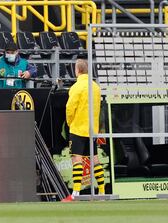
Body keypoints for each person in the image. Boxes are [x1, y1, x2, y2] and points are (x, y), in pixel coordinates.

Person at [62, 59, 105, 202]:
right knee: (94, 159)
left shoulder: (76, 87)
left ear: (77, 70)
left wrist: (70, 123)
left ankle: (75, 194)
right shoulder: (96, 87)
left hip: (78, 128)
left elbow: (69, 108)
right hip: (92, 129)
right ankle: (102, 192)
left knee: (77, 159)